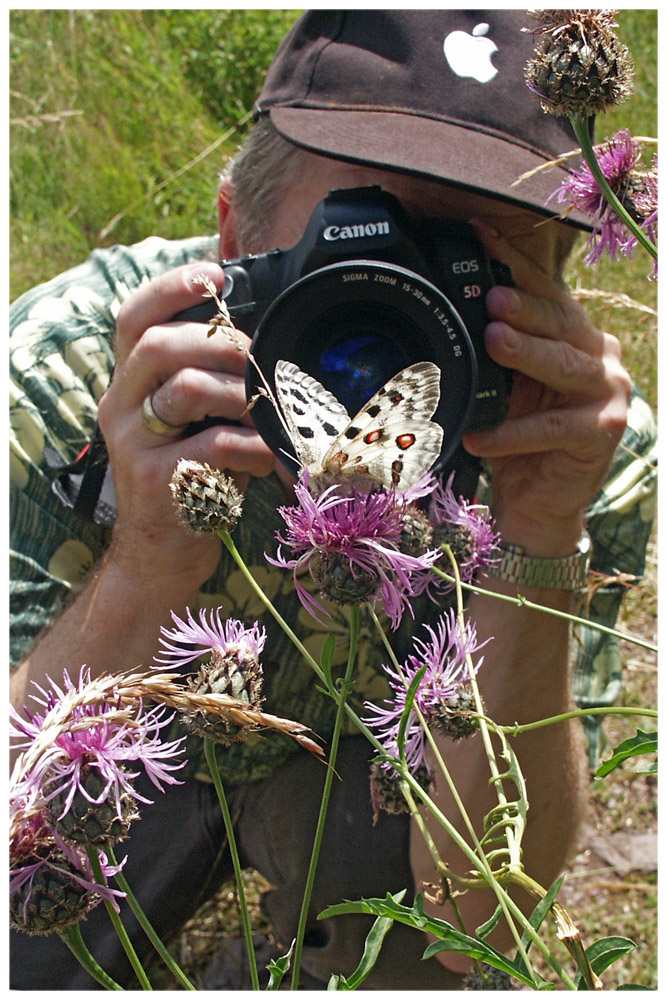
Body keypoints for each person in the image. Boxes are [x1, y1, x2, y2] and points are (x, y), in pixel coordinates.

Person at [10, 10, 656, 990]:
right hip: (129, 755)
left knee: (430, 967)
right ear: (235, 237)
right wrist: (142, 567)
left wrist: (539, 530)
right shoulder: (68, 371)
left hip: (368, 786)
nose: (389, 332)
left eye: (458, 273)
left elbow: (480, 909)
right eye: (354, 257)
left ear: (558, 292)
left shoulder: (576, 441)